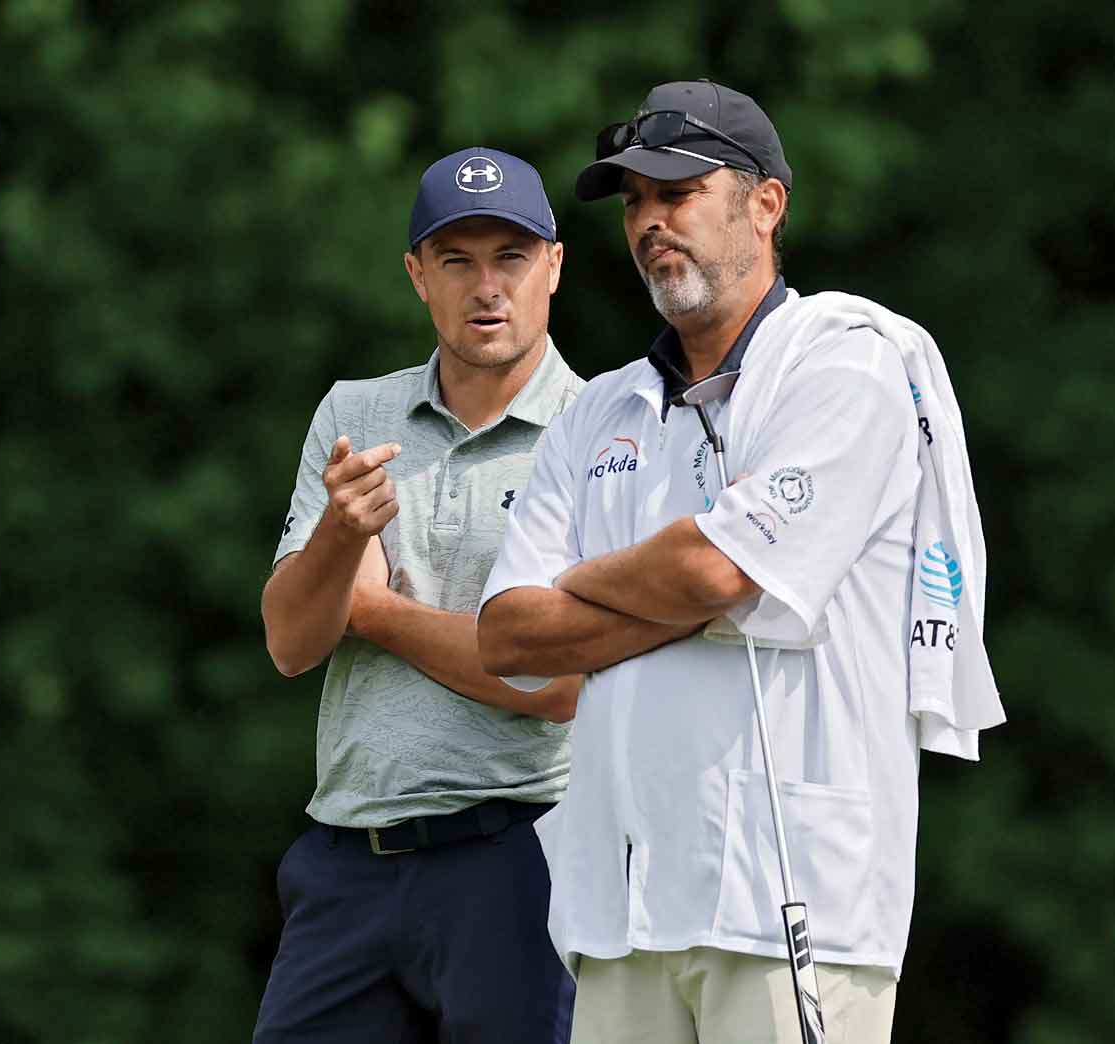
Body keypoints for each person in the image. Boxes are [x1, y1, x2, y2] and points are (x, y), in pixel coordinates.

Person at [477, 81, 1006, 1044]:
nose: (648, 222)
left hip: (792, 897)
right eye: (633, 201)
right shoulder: (595, 410)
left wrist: (597, 586)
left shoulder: (845, 364)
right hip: (622, 911)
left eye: (676, 192)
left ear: (766, 204)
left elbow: (720, 573)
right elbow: (509, 634)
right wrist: (692, 582)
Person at [254, 146, 584, 1043]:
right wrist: (340, 535)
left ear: (554, 266)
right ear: (416, 275)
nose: (488, 287)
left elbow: (554, 686)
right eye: (457, 260)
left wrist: (375, 609)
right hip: (345, 859)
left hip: (517, 858)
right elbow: (291, 643)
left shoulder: (601, 430)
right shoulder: (352, 416)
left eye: (511, 258)